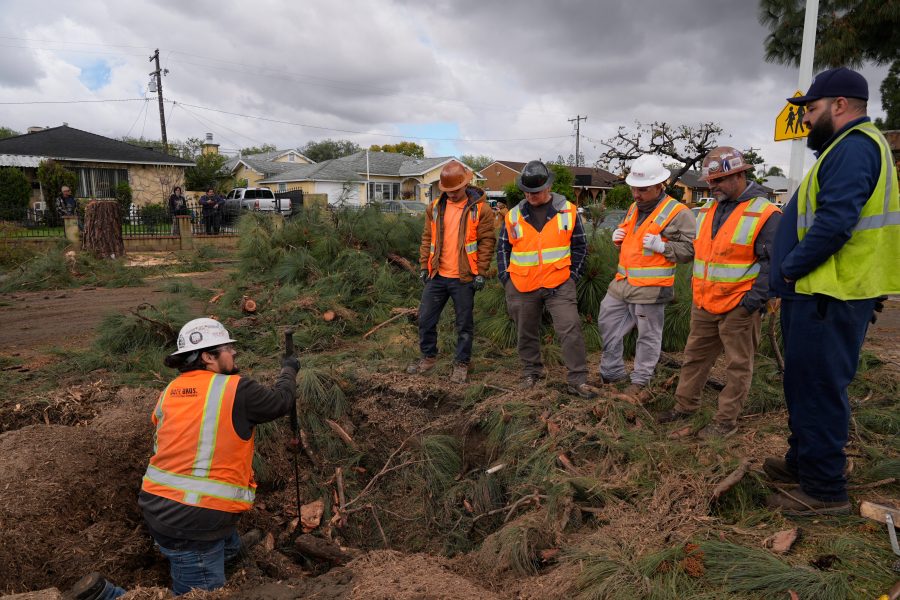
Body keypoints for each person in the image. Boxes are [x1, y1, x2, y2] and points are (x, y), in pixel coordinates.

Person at [66, 318, 299, 598]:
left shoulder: (170, 391)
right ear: (208, 356)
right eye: (227, 348)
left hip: (161, 503)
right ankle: (108, 596)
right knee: (199, 592)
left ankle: (227, 554)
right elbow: (281, 401)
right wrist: (288, 370)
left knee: (217, 529)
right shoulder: (236, 389)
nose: (234, 353)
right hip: (192, 520)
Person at [765, 67, 899, 515]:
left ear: (839, 105)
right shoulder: (846, 149)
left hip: (829, 293)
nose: (805, 118)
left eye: (812, 109)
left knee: (819, 387)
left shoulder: (855, 149)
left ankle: (823, 491)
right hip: (824, 292)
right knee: (803, 383)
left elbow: (835, 223)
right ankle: (803, 462)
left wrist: (788, 269)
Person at [656, 147, 781, 440]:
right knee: (694, 358)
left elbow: (773, 265)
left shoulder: (766, 213)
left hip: (740, 306)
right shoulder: (709, 209)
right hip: (705, 303)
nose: (712, 187)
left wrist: (751, 302)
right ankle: (685, 407)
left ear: (740, 174)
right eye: (710, 182)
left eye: (719, 181)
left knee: (738, 366)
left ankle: (726, 421)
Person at [597, 154, 695, 400]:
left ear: (660, 185)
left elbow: (692, 250)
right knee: (607, 323)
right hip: (622, 283)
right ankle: (612, 374)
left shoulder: (678, 212)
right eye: (633, 189)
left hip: (652, 288)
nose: (637, 195)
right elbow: (633, 242)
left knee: (648, 336)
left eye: (643, 190)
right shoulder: (634, 207)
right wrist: (618, 239)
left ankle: (641, 382)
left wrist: (664, 247)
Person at [497, 160, 596, 399]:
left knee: (569, 328)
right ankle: (532, 372)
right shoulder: (513, 216)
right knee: (525, 331)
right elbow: (502, 248)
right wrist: (506, 278)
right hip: (522, 283)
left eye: (536, 191)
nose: (531, 196)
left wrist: (572, 277)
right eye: (527, 192)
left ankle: (577, 379)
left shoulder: (567, 211)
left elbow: (580, 246)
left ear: (548, 187)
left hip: (559, 282)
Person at [407, 161, 496, 383]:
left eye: (456, 190)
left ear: (465, 184)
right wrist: (423, 266)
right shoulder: (435, 208)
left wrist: (481, 272)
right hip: (437, 275)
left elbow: (487, 242)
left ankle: (462, 363)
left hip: (464, 277)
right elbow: (427, 239)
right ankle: (428, 357)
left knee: (464, 324)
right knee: (426, 319)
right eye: (448, 191)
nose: (452, 195)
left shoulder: (480, 210)